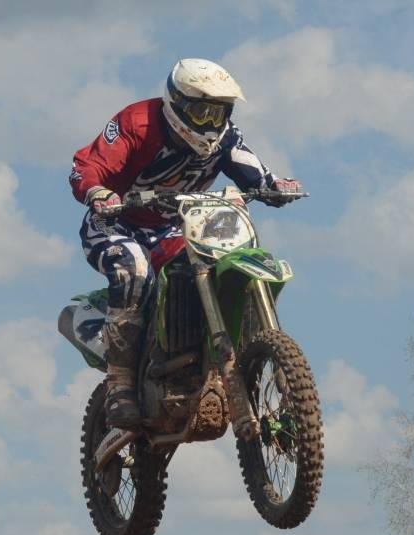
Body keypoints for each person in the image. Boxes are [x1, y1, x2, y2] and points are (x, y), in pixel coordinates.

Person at [69, 58, 301, 430]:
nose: (210, 123)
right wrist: (97, 191)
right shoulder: (137, 123)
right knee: (135, 270)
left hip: (172, 227)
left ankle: (212, 357)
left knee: (218, 257)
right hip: (115, 223)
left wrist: (273, 185)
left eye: (218, 113)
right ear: (176, 103)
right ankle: (120, 385)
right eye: (201, 112)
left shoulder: (225, 137)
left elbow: (251, 168)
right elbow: (87, 165)